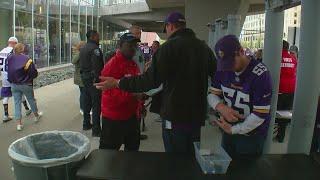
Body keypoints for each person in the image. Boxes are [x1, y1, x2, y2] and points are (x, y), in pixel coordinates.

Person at [95, 12, 216, 154]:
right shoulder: (204, 48)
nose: (134, 48)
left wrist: (119, 83)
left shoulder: (168, 48)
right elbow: (216, 76)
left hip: (175, 115)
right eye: (131, 45)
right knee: (190, 156)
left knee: (175, 159)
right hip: (196, 115)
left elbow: (149, 81)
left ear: (170, 26)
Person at [208, 35, 272, 158]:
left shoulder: (261, 74)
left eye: (231, 62)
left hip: (251, 136)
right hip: (228, 130)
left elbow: (260, 114)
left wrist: (235, 129)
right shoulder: (222, 69)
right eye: (225, 63)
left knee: (246, 171)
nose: (229, 68)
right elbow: (212, 95)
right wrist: (220, 106)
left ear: (242, 52)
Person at [99, 33, 143, 151]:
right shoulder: (111, 66)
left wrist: (140, 106)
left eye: (135, 45)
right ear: (120, 45)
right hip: (114, 119)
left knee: (132, 152)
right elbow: (108, 94)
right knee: (108, 155)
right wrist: (133, 95)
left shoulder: (133, 64)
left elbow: (136, 86)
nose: (133, 48)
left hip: (131, 117)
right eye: (130, 45)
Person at [7, 43, 42, 131]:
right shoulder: (27, 59)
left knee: (17, 103)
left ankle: (19, 124)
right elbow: (33, 73)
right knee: (31, 99)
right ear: (22, 49)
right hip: (25, 84)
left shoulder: (10, 57)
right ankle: (36, 116)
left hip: (14, 84)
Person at [0, 37, 32, 123]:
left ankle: (5, 115)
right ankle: (27, 109)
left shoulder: (2, 51)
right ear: (14, 43)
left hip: (4, 76)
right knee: (19, 91)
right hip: (13, 75)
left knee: (5, 95)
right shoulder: (13, 52)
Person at [79, 30, 104, 137]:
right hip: (93, 79)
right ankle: (96, 129)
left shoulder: (83, 48)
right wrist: (99, 79)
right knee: (96, 104)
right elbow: (97, 66)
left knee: (86, 101)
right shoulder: (95, 49)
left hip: (84, 78)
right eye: (98, 36)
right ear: (93, 36)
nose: (99, 38)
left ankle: (86, 124)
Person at [277, 40, 297, 111]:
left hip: (280, 88)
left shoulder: (276, 57)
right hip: (292, 88)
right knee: (286, 112)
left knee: (277, 111)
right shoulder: (293, 58)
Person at [72, 41, 86, 115]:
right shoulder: (77, 53)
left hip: (85, 77)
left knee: (85, 93)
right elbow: (73, 61)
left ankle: (85, 108)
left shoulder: (85, 53)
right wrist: (80, 53)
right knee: (83, 93)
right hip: (80, 77)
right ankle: (82, 108)